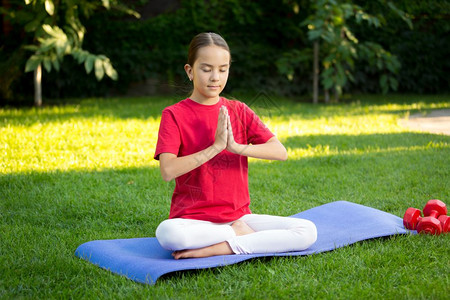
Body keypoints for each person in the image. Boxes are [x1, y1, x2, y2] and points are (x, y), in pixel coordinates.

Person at [154, 32, 317, 259]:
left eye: (223, 69)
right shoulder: (174, 114)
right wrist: (215, 147)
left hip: (238, 217)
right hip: (191, 220)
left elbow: (280, 152)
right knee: (168, 234)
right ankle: (236, 235)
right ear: (190, 71)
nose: (215, 77)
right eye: (206, 68)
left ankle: (228, 244)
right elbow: (167, 171)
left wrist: (237, 147)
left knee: (307, 231)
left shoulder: (238, 110)